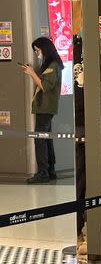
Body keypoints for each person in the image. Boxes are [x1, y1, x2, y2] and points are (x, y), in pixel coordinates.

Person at [22, 37, 63, 183]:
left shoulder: (53, 66)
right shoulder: (50, 65)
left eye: (37, 50)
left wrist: (32, 73)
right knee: (46, 138)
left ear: (45, 49)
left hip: (46, 107)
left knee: (40, 139)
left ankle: (43, 172)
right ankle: (50, 170)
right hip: (44, 107)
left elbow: (45, 86)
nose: (37, 53)